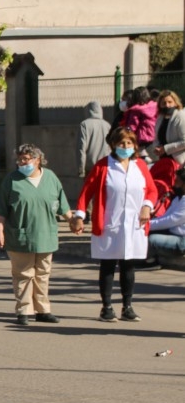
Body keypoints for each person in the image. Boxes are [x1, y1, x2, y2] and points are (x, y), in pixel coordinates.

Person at [71, 127, 158, 322]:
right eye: (121, 143)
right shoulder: (103, 166)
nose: (125, 147)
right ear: (113, 145)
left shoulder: (141, 166)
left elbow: (152, 190)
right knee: (108, 265)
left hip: (134, 224)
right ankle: (107, 307)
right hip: (109, 223)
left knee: (129, 265)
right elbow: (87, 192)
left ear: (135, 145)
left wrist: (146, 206)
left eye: (128, 143)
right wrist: (79, 216)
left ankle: (127, 306)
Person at [0, 144, 73, 325]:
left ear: (37, 160)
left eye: (25, 159)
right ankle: (24, 310)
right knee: (23, 274)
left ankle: (43, 310)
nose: (21, 163)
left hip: (46, 235)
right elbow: (0, 210)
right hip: (20, 236)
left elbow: (62, 205)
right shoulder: (11, 180)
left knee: (43, 274)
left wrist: (73, 221)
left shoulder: (50, 178)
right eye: (19, 160)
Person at [134, 167, 185, 270]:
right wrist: (147, 223)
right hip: (173, 233)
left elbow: (171, 220)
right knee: (147, 233)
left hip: (182, 240)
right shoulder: (179, 198)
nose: (174, 181)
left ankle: (149, 261)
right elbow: (165, 217)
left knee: (152, 240)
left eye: (177, 179)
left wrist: (147, 225)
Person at [152, 90, 185, 184]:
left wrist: (166, 148)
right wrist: (157, 147)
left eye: (170, 102)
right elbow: (157, 138)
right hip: (164, 161)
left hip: (179, 161)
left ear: (175, 102)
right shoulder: (160, 118)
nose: (167, 105)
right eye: (164, 103)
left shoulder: (180, 117)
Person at [122, 86, 157, 161]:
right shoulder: (154, 107)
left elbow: (132, 126)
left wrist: (125, 132)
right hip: (154, 138)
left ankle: (144, 158)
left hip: (142, 140)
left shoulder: (136, 110)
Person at [77, 101, 111, 177]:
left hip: (90, 168)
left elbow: (81, 148)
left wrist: (81, 169)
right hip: (105, 166)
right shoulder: (107, 125)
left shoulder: (84, 124)